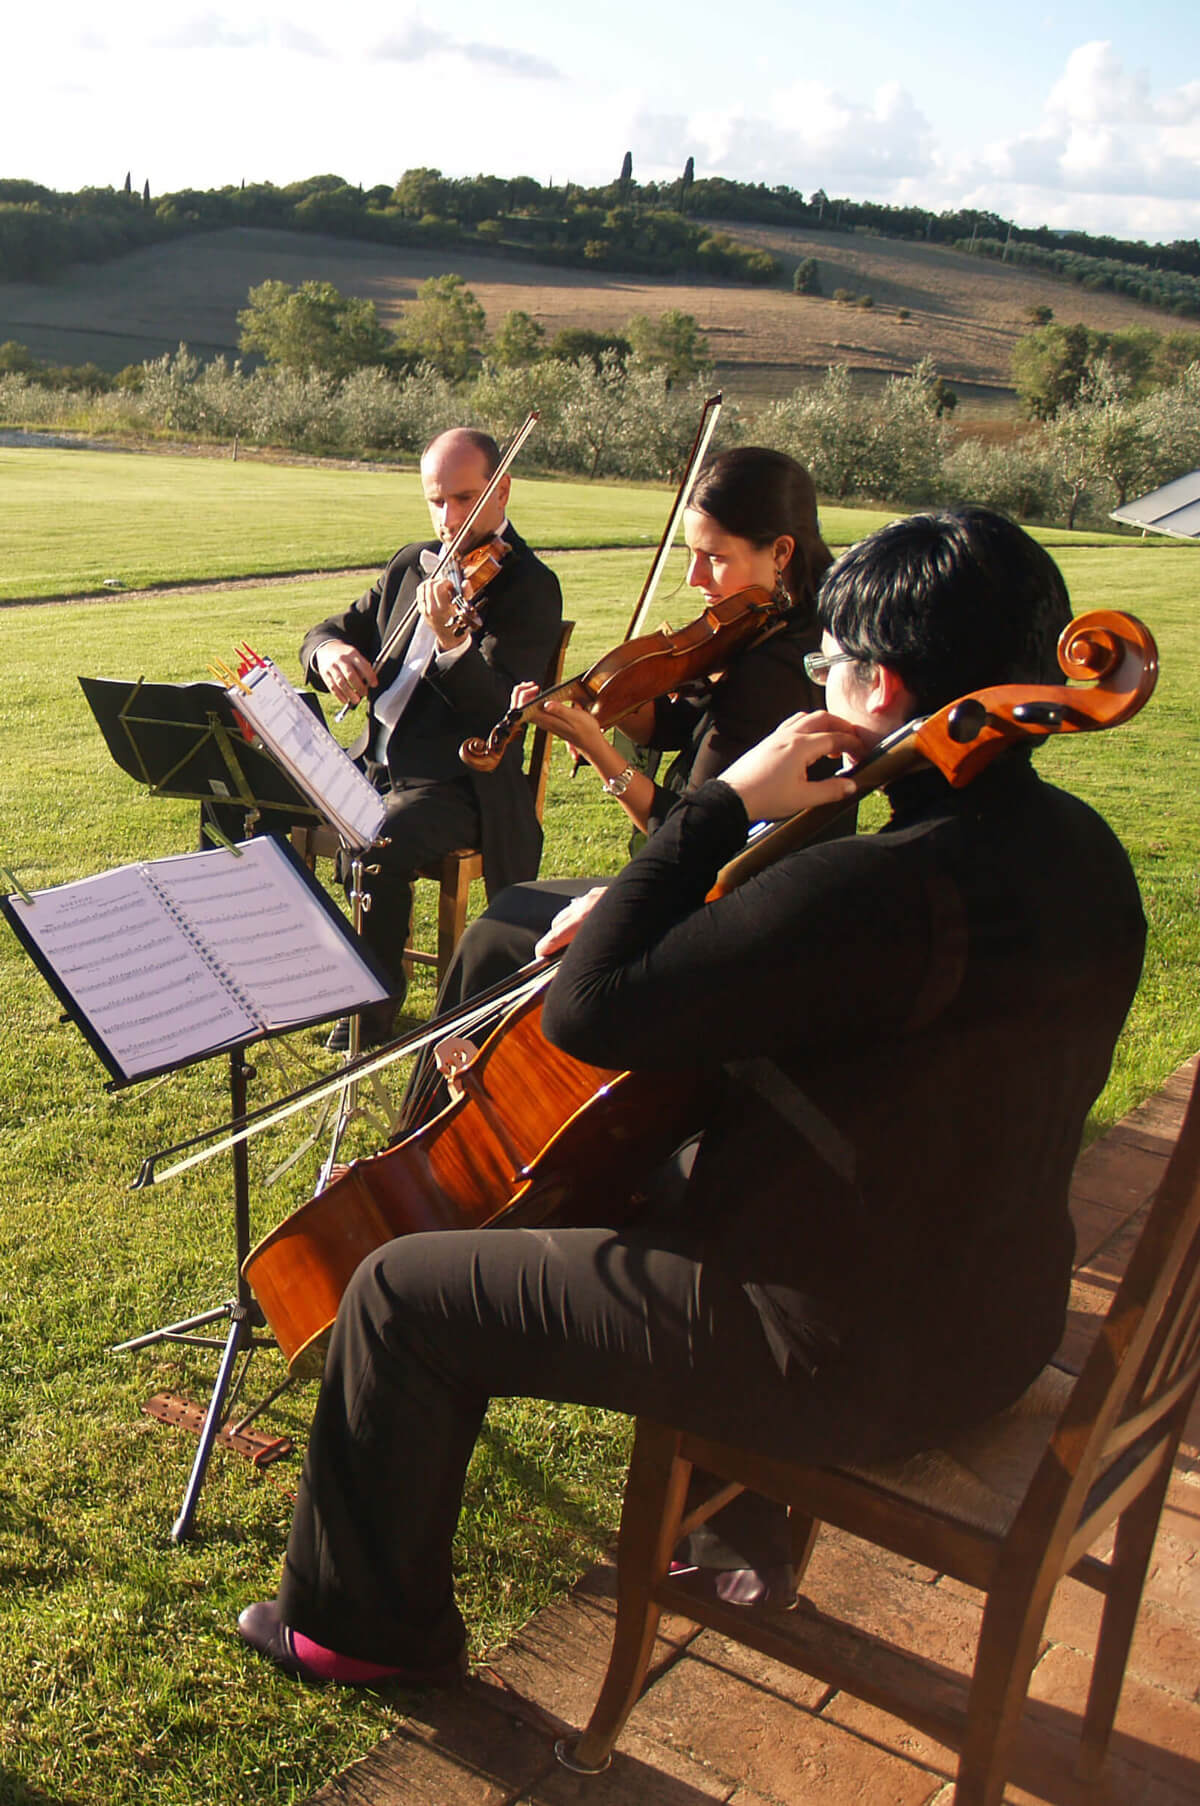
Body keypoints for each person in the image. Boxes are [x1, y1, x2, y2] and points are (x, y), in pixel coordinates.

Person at [238, 505, 1146, 1687]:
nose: (814, 674)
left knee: (405, 1291)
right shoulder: (1079, 853)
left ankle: (356, 1629)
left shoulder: (875, 888)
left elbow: (589, 1011)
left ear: (881, 687)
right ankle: (722, 1527)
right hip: (996, 1316)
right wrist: (672, 905)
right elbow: (838, 1018)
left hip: (843, 1354)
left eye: (829, 659)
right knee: (627, 1167)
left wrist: (724, 807)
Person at [399, 444, 838, 1127]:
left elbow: (683, 834)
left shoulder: (771, 671)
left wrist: (600, 750)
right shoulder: (775, 626)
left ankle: (433, 1132)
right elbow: (680, 724)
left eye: (714, 557)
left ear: (781, 552)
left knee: (496, 938)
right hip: (731, 899)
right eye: (691, 553)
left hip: (722, 920)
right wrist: (614, 700)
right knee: (513, 910)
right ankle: (452, 1114)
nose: (694, 578)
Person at [300, 427, 563, 1047]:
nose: (447, 520)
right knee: (251, 797)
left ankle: (371, 1012)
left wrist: (453, 644)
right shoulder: (410, 563)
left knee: (377, 838)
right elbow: (327, 629)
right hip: (377, 764)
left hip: (460, 783)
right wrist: (332, 652)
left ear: (502, 491)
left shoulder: (528, 586)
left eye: (463, 499)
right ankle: (298, 975)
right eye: (435, 501)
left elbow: (499, 710)